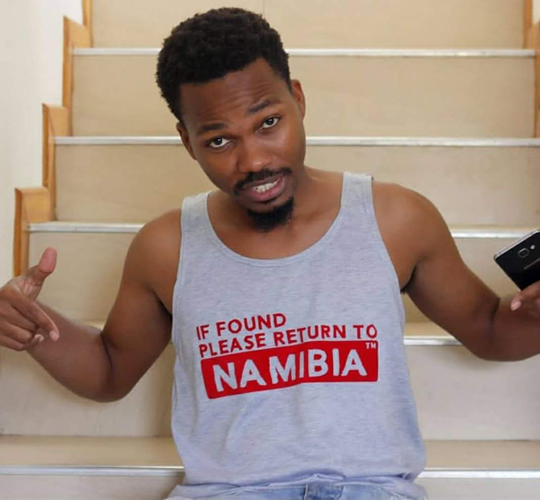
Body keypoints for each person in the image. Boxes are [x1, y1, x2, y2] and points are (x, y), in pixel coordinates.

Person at [2, 7, 540, 500]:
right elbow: (109, 372)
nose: (254, 160)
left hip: (370, 491)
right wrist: (33, 327)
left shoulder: (396, 219)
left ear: (298, 101)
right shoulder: (166, 247)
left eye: (268, 123)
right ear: (187, 141)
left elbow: (491, 331)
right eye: (219, 141)